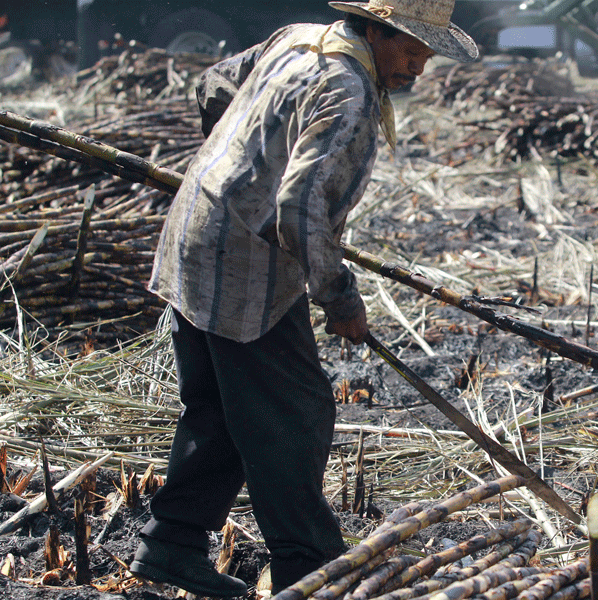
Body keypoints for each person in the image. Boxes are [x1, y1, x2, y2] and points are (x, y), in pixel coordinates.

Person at [128, 0, 478, 596]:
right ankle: (311, 569)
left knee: (218, 408)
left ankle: (171, 543)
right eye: (411, 51)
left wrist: (237, 160)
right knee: (293, 415)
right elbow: (299, 213)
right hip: (244, 269)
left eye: (425, 57)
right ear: (375, 29)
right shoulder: (349, 94)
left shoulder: (298, 37)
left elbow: (214, 84)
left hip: (195, 233)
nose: (416, 69)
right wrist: (340, 299)